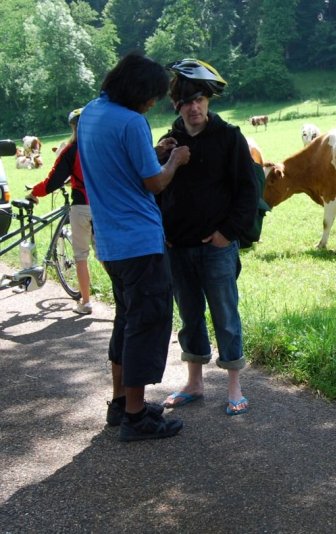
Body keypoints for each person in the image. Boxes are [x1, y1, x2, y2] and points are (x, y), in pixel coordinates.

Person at [77, 53, 191, 442]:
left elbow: (118, 166)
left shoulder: (92, 112)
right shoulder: (132, 121)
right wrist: (174, 159)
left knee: (125, 322)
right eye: (152, 97)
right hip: (139, 241)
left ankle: (119, 402)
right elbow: (154, 183)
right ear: (138, 92)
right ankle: (137, 416)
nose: (153, 104)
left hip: (108, 242)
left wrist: (153, 155)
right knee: (147, 324)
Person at [156, 59, 258, 416]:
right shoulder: (170, 142)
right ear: (176, 105)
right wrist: (162, 160)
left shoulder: (229, 137)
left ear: (208, 100)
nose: (194, 106)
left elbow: (248, 191)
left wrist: (226, 233)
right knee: (189, 315)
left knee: (225, 314)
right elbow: (156, 189)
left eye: (199, 98)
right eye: (186, 100)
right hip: (177, 246)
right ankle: (194, 383)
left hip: (216, 247)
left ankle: (234, 385)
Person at [26, 108, 95, 315]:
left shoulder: (71, 150)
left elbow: (53, 182)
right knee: (107, 255)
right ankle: (124, 299)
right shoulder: (104, 145)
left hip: (81, 206)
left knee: (81, 256)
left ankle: (86, 302)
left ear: (73, 127)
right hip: (105, 206)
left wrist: (34, 193)